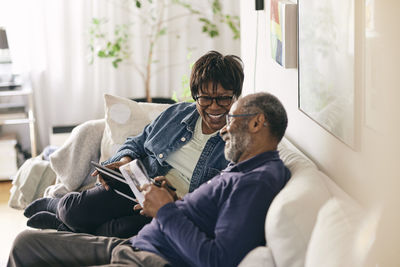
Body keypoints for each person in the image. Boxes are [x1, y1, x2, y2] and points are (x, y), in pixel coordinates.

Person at [8, 92, 290, 267]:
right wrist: (172, 200)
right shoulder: (243, 167)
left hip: (152, 259)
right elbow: (207, 217)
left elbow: (217, 260)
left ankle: (62, 218)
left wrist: (166, 210)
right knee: (25, 243)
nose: (225, 128)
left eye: (232, 117)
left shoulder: (257, 181)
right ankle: (59, 210)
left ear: (256, 123)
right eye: (206, 97)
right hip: (138, 243)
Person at [23, 50, 244, 238]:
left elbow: (220, 200)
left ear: (236, 97)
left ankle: (62, 224)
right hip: (137, 185)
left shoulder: (238, 143)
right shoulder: (177, 115)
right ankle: (57, 205)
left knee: (119, 230)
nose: (214, 107)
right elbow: (137, 142)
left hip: (171, 206)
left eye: (223, 98)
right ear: (196, 95)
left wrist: (175, 202)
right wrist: (124, 161)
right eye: (205, 98)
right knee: (73, 211)